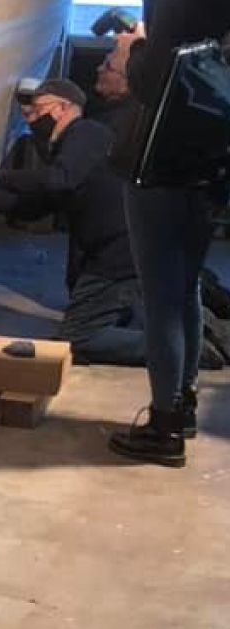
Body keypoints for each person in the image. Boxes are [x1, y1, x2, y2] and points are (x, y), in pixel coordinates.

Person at [106, 1, 230, 467]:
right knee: (185, 287)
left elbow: (150, 80)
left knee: (161, 297)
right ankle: (183, 403)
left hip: (159, 165)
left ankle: (164, 426)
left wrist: (133, 48)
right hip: (208, 164)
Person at [0, 79, 156, 367]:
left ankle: (176, 347)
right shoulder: (69, 150)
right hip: (113, 251)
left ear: (63, 108)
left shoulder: (87, 133)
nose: (32, 119)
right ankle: (158, 329)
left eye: (38, 110)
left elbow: (58, 180)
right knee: (93, 313)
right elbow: (35, 208)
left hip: (118, 252)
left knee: (79, 339)